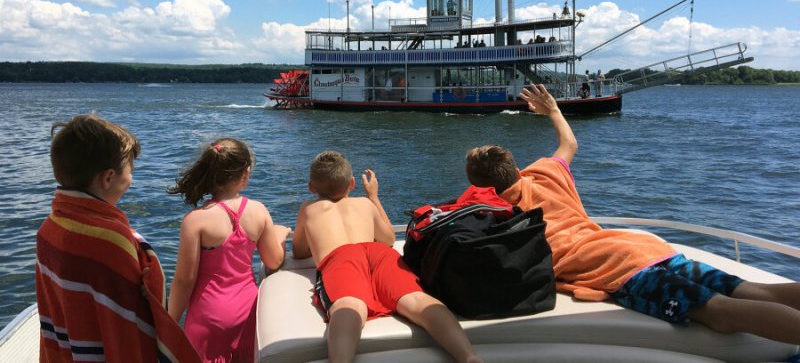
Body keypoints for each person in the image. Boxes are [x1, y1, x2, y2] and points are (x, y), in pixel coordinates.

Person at [463, 84, 800, 345]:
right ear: (516, 168)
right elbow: (569, 144)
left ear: (478, 186)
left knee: (721, 314)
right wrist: (552, 109)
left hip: (620, 269)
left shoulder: (492, 211)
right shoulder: (544, 173)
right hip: (645, 248)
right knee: (751, 290)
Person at [36, 114, 200, 362]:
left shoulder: (50, 227)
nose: (131, 181)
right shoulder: (111, 242)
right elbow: (128, 324)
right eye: (130, 170)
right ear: (109, 177)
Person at [292, 151, 483, 363]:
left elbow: (299, 252)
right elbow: (388, 239)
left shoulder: (308, 209)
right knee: (418, 300)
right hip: (379, 253)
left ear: (311, 187)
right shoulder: (364, 204)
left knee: (350, 306)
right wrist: (373, 197)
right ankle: (468, 356)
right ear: (352, 183)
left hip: (341, 257)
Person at [167, 138, 291, 362]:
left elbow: (184, 280)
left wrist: (170, 323)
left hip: (208, 317)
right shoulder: (258, 211)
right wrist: (280, 235)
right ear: (246, 173)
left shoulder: (196, 220)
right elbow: (274, 261)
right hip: (247, 313)